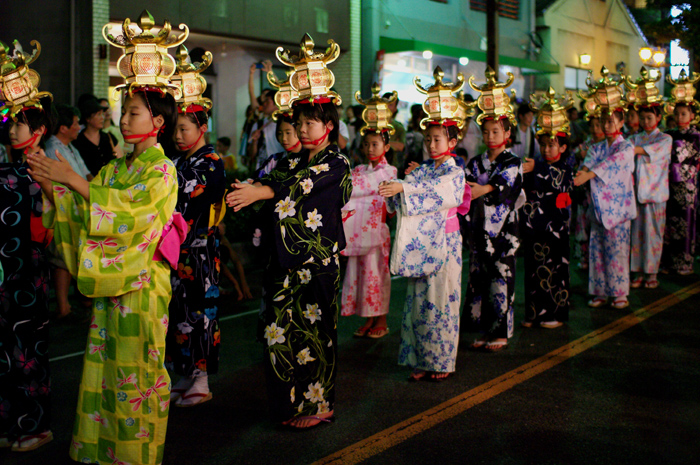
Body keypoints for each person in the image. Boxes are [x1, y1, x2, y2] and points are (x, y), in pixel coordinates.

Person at [27, 12, 183, 464]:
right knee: (107, 367)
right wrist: (53, 186)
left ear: (157, 120)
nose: (123, 116)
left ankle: (136, 454)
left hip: (142, 285)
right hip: (114, 284)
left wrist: (72, 182)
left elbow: (132, 217)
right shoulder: (115, 167)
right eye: (124, 109)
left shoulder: (161, 169)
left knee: (138, 372)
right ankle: (104, 450)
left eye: (133, 111)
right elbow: (88, 211)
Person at [226, 35, 351, 429]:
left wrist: (260, 191)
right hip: (282, 261)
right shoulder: (288, 162)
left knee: (316, 336)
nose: (300, 128)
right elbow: (270, 178)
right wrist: (246, 190)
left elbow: (301, 187)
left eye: (308, 122)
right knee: (277, 334)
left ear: (328, 125)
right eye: (297, 122)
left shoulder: (337, 163)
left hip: (317, 265)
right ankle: (289, 404)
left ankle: (319, 405)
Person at [380, 68, 469, 381]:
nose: (431, 144)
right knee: (418, 301)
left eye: (438, 139)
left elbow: (443, 194)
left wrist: (405, 186)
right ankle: (420, 359)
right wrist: (401, 185)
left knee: (441, 299)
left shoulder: (454, 172)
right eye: (429, 138)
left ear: (453, 141)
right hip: (422, 246)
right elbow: (412, 190)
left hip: (445, 244)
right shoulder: (428, 169)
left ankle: (442, 362)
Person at [166, 45, 226, 407]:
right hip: (176, 250)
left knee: (199, 314)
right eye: (175, 127)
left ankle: (200, 378)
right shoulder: (175, 161)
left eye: (185, 128)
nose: (178, 135)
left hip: (200, 250)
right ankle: (181, 375)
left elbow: (183, 203)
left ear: (202, 128)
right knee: (177, 314)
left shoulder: (211, 163)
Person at [0, 39, 53, 452]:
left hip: (28, 274)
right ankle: (10, 423)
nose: (11, 130)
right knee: (5, 354)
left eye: (19, 123)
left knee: (27, 353)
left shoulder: (46, 169)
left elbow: (54, 224)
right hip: (5, 272)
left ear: (38, 131)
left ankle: (35, 426)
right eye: (10, 122)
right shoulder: (9, 168)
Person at [463, 67, 522, 352]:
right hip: (479, 231)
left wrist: (483, 189)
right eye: (485, 131)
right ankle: (485, 331)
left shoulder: (512, 162)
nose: (489, 135)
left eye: (496, 130)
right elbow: (462, 184)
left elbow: (505, 187)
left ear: (508, 132)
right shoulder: (475, 162)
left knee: (501, 279)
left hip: (504, 233)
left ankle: (500, 332)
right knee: (481, 279)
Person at [574, 66, 636, 309]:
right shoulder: (596, 147)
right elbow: (588, 163)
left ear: (621, 121)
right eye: (603, 121)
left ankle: (619, 292)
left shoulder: (626, 147)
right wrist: (581, 173)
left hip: (618, 210)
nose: (607, 125)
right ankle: (600, 291)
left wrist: (587, 174)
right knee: (597, 252)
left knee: (617, 252)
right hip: (599, 209)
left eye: (611, 121)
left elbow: (612, 165)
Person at [341, 87, 398, 339]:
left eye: (375, 143)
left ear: (386, 144)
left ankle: (381, 320)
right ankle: (367, 318)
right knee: (361, 276)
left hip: (377, 232)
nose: (370, 148)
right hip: (358, 233)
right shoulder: (360, 169)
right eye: (366, 144)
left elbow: (356, 188)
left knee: (377, 276)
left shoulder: (389, 172)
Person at [521, 89, 575, 329]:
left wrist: (535, 169)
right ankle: (534, 312)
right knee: (533, 270)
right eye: (543, 145)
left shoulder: (565, 169)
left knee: (554, 270)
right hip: (535, 228)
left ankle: (553, 313)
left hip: (555, 229)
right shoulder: (538, 165)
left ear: (563, 147)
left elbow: (557, 182)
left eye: (552, 145)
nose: (546, 150)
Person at [44, 104, 93, 319]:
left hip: (78, 205)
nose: (79, 127)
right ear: (63, 128)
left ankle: (79, 298)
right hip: (61, 207)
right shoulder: (52, 149)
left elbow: (85, 174)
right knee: (61, 256)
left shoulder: (70, 148)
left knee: (73, 252)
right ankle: (63, 305)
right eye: (75, 123)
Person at [628, 89, 672, 289]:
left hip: (656, 195)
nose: (645, 122)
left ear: (659, 117)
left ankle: (651, 272)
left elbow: (642, 151)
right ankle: (637, 271)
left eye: (649, 117)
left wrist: (627, 149)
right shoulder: (635, 138)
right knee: (636, 235)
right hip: (636, 194)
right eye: (642, 118)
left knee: (653, 234)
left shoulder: (664, 139)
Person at [661, 70, 700, 275]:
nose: (679, 117)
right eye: (676, 113)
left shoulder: (696, 136)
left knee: (685, 222)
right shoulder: (668, 134)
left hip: (687, 187)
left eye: (683, 113)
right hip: (668, 183)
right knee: (669, 223)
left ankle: (684, 262)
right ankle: (668, 262)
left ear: (692, 115)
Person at [572, 115, 605, 269]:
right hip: (585, 191)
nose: (595, 129)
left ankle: (598, 258)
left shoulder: (608, 146)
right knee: (584, 224)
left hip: (601, 193)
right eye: (592, 126)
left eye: (598, 125)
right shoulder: (586, 145)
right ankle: (585, 257)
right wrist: (578, 156)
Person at [73, 97, 118, 175]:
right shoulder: (78, 141)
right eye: (98, 114)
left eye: (103, 114)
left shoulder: (108, 137)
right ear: (88, 118)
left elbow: (120, 160)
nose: (102, 118)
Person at [383, 91, 406, 171]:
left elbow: (400, 146)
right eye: (384, 103)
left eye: (390, 105)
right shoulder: (371, 125)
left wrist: (381, 144)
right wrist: (392, 144)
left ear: (395, 108)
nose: (386, 107)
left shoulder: (399, 127)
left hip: (392, 166)